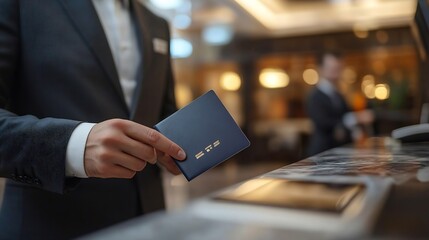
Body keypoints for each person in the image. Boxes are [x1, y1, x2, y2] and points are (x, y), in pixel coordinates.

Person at [0, 0, 187, 239]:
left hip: (148, 221)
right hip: (52, 224)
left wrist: (190, 142)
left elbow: (163, 113)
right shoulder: (21, 5)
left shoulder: (157, 23)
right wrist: (74, 145)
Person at [306, 51, 374, 156]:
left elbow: (345, 114)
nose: (335, 71)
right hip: (321, 152)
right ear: (321, 69)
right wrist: (356, 118)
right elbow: (324, 123)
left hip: (339, 151)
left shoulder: (338, 94)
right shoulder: (315, 96)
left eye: (337, 68)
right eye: (331, 68)